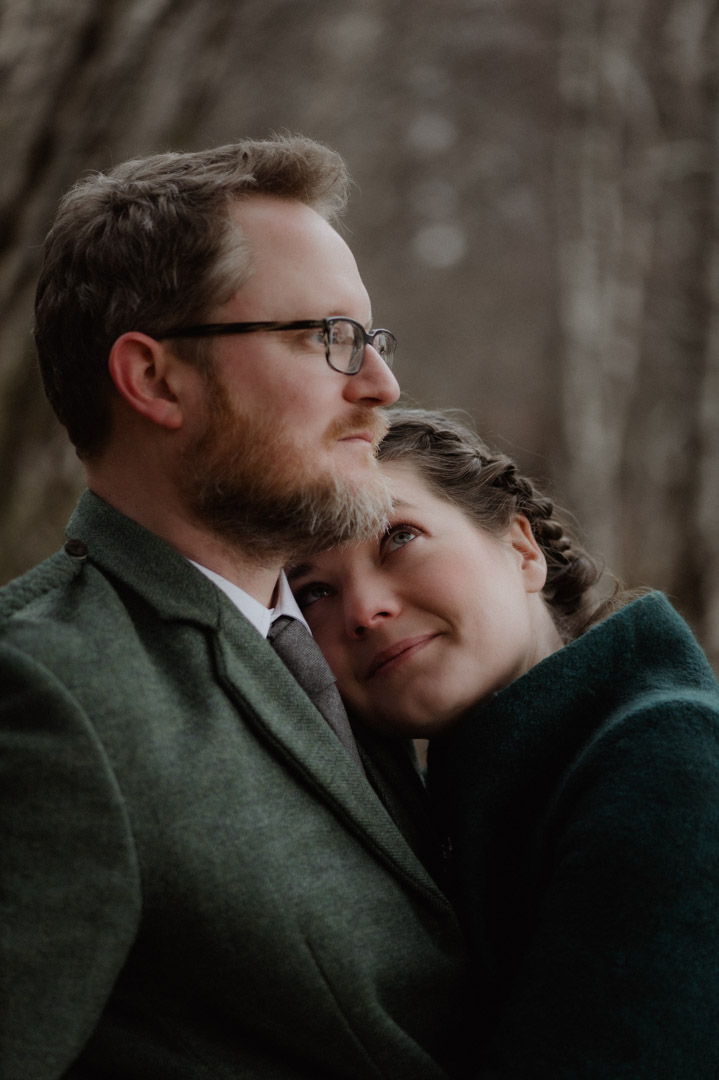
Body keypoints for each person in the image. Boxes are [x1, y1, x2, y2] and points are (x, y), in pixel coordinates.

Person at [0, 142, 468, 1079]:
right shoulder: (46, 695)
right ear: (156, 380)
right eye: (327, 335)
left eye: (373, 340)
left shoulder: (348, 647)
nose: (379, 387)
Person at [290, 406, 719, 1078]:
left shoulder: (667, 759)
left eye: (398, 537)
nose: (363, 609)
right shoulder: (453, 806)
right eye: (312, 590)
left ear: (522, 551)